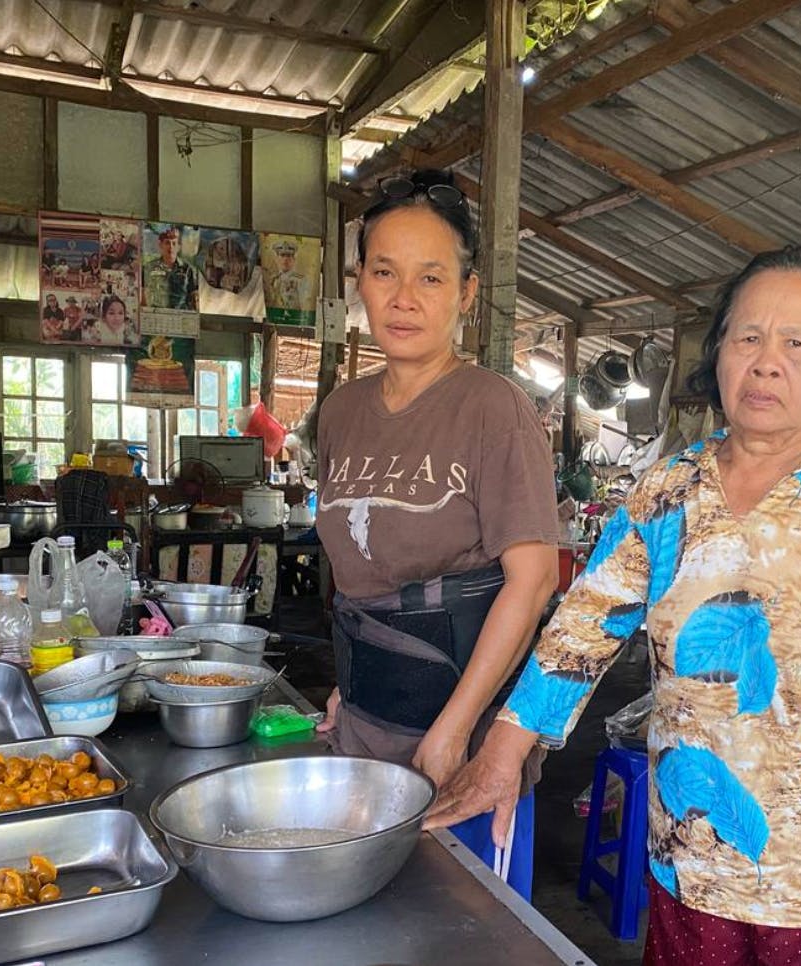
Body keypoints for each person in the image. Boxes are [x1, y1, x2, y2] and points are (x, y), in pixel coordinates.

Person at [428, 246, 801, 965]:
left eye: (796, 344)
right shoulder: (667, 491)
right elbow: (585, 625)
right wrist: (500, 753)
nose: (767, 364)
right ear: (720, 352)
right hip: (693, 858)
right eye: (748, 338)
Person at [312, 169, 561, 898]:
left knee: (458, 924)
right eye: (384, 272)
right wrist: (350, 681)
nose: (404, 298)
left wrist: (455, 729)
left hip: (461, 745)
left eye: (431, 277)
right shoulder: (341, 412)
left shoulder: (494, 409)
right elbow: (359, 569)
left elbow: (534, 582)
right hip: (365, 727)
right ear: (359, 283)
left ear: (466, 293)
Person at [145, 226, 198, 310]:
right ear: (160, 245)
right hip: (157, 313)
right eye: (167, 243)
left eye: (174, 243)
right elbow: (143, 296)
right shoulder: (149, 267)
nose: (171, 247)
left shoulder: (187, 269)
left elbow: (194, 297)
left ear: (179, 247)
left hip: (180, 314)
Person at [267, 239, 313, 313]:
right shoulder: (273, 280)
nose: (285, 259)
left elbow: (305, 305)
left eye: (289, 256)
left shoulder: (301, 280)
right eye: (282, 255)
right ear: (277, 259)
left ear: (294, 259)